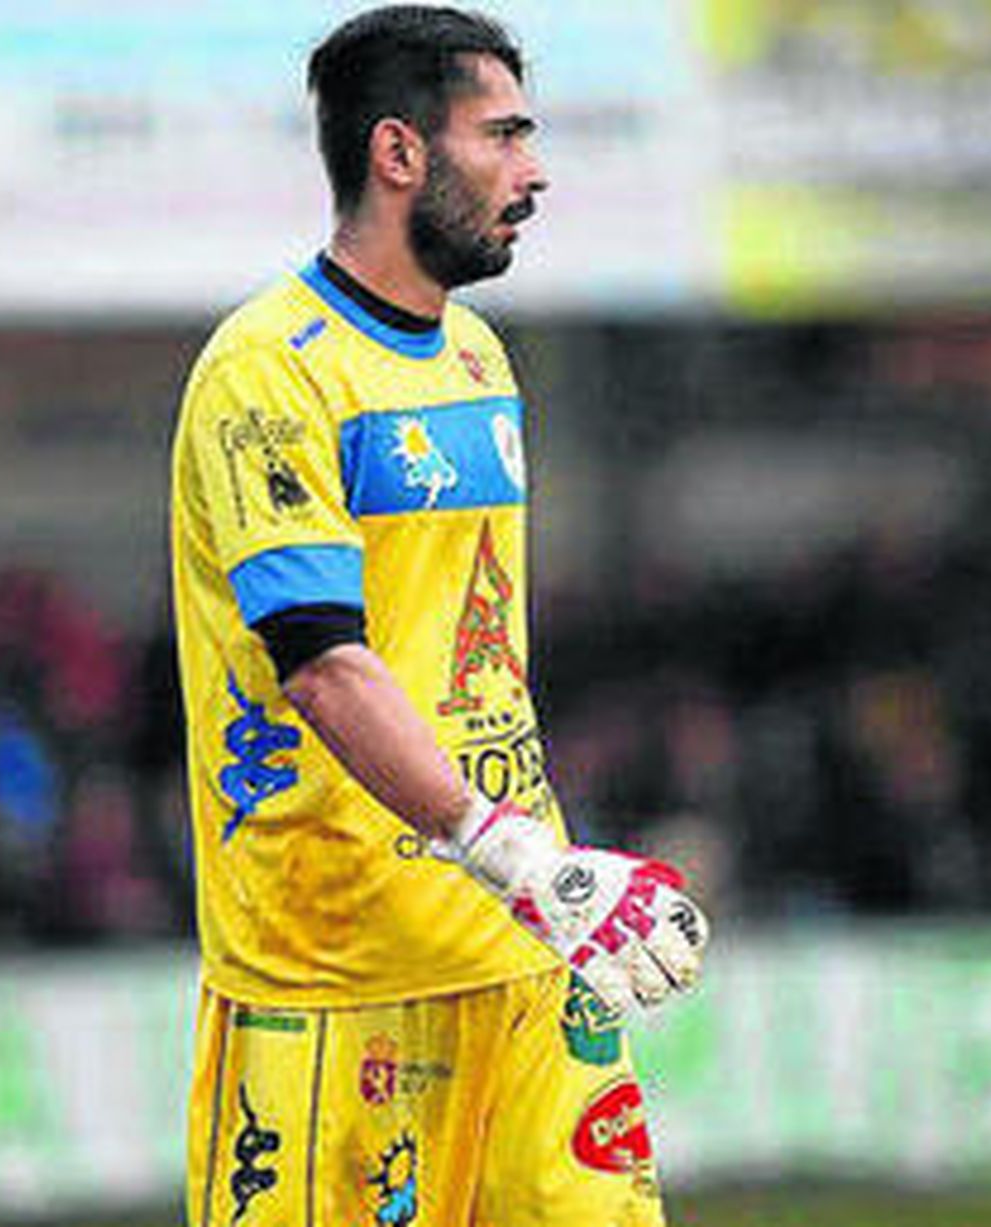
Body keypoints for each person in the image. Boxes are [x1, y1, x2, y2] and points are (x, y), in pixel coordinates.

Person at [169, 8, 708, 1225]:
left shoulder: (476, 358)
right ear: (399, 154)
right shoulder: (267, 373)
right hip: (337, 967)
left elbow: (471, 646)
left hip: (523, 940)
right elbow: (321, 664)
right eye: (503, 135)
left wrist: (542, 873)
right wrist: (512, 852)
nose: (534, 169)